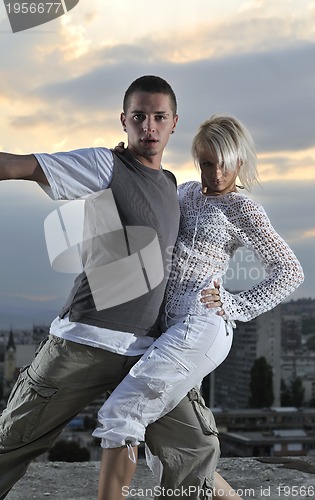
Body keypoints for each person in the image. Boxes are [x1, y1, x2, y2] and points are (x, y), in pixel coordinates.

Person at [0, 75, 224, 500]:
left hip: (147, 354)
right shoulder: (105, 165)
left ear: (174, 122)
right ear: (124, 120)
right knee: (12, 443)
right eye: (139, 117)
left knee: (194, 450)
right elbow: (20, 165)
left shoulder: (173, 185)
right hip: (82, 343)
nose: (149, 127)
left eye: (159, 117)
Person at [92, 114, 305, 500]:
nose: (217, 173)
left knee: (120, 413)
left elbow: (290, 271)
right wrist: (125, 166)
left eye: (225, 162)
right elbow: (148, 212)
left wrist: (235, 303)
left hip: (201, 326)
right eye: (208, 162)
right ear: (197, 160)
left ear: (239, 161)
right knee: (169, 443)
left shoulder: (243, 209)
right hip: (169, 327)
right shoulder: (186, 192)